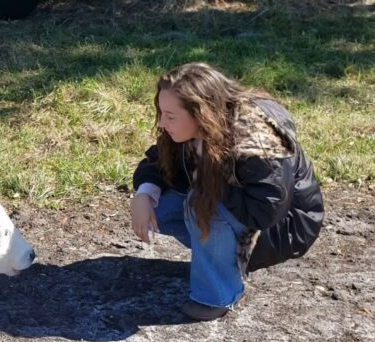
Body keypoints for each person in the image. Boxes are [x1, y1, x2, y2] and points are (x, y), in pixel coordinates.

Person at [131, 63, 324, 321]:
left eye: (170, 115)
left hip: (282, 228)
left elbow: (266, 211)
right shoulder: (191, 129)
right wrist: (144, 193)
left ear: (200, 113)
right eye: (161, 112)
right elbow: (159, 163)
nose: (162, 123)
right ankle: (218, 260)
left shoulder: (257, 141)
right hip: (247, 211)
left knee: (199, 205)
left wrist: (209, 186)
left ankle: (218, 295)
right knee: (162, 207)